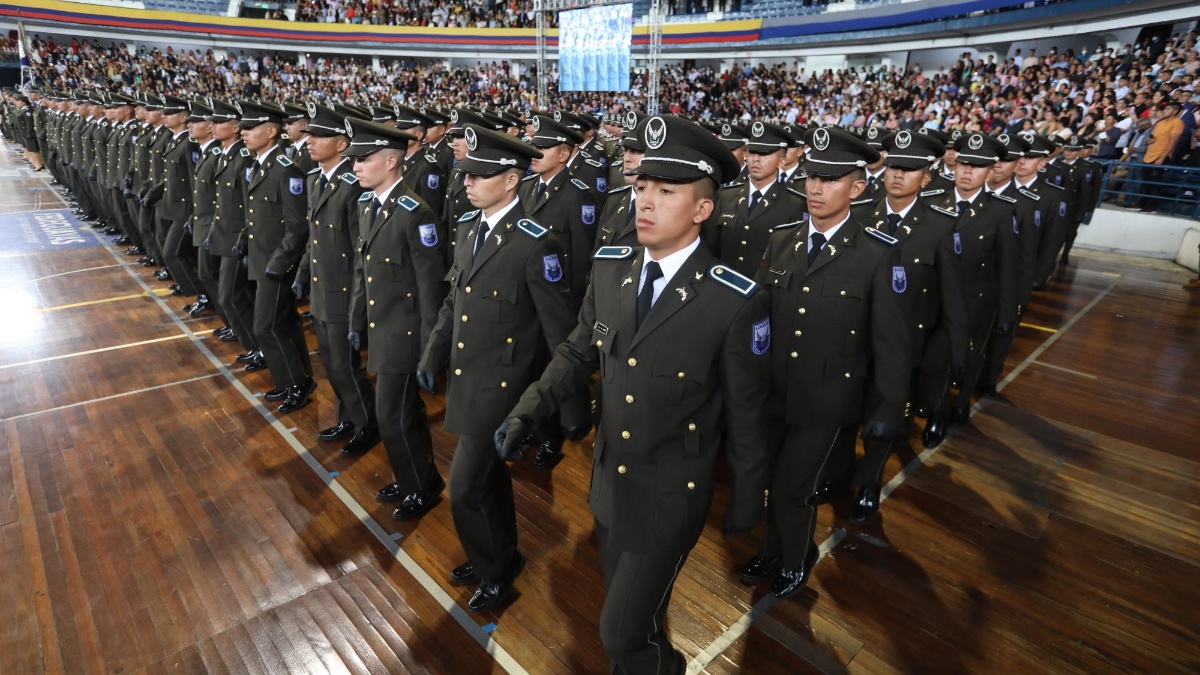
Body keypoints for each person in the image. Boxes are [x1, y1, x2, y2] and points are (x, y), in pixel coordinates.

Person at [494, 114, 772, 674]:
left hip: (670, 494)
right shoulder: (612, 269)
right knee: (637, 615)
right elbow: (577, 351)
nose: (645, 201)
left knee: (619, 632)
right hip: (610, 484)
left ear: (702, 209)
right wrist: (529, 411)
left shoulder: (733, 300)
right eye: (643, 186)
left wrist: (749, 496)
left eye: (667, 192)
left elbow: (747, 412)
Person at [740, 126, 911, 596]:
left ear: (857, 188)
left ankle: (795, 558)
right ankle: (772, 549)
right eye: (812, 177)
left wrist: (887, 411)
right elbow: (759, 320)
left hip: (827, 400)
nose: (816, 188)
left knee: (794, 488)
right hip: (774, 391)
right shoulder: (782, 240)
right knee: (768, 480)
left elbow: (891, 344)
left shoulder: (877, 254)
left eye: (830, 180)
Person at [415, 124, 576, 614]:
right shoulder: (470, 227)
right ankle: (500, 552)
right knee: (488, 480)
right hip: (468, 376)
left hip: (504, 386)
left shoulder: (536, 243)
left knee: (464, 488)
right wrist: (433, 353)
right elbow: (455, 300)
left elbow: (559, 333)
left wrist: (567, 411)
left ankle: (495, 572)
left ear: (510, 180)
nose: (467, 182)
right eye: (466, 173)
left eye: (480, 175)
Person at [850, 129, 966, 497]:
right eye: (893, 167)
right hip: (854, 337)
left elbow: (952, 298)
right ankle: (837, 472)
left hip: (906, 345)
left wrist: (954, 352)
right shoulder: (858, 214)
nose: (898, 175)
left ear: (926, 178)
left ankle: (869, 485)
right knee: (846, 412)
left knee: (885, 419)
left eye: (910, 169)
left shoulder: (940, 226)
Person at [343, 115, 449, 519]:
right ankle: (415, 478)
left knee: (392, 416)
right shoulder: (368, 205)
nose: (356, 166)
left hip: (406, 334)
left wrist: (430, 351)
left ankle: (421, 486)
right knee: (403, 415)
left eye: (364, 159)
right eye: (355, 159)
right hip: (382, 328)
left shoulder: (415, 213)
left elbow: (430, 288)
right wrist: (356, 321)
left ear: (391, 161)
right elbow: (363, 271)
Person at [292, 103, 379, 457]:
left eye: (319, 135)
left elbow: (361, 252)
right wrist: (302, 273)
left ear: (342, 144)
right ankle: (349, 418)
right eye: (309, 134)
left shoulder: (352, 186)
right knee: (331, 364)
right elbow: (314, 237)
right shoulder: (316, 180)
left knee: (346, 366)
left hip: (343, 292)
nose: (309, 140)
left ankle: (368, 424)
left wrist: (359, 305)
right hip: (321, 289)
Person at [237, 100, 315, 413]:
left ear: (271, 131)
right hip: (262, 259)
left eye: (250, 127)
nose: (243, 132)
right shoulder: (260, 165)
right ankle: (299, 378)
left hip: (277, 263)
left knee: (266, 327)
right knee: (285, 322)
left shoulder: (286, 170)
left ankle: (295, 383)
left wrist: (280, 264)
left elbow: (298, 226)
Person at [707, 120, 807, 278]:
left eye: (764, 154)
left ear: (781, 161)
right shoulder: (727, 195)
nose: (756, 159)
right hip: (724, 284)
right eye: (752, 152)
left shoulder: (795, 204)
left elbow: (790, 263)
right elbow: (711, 246)